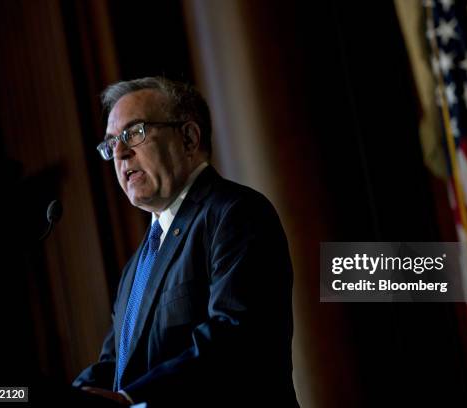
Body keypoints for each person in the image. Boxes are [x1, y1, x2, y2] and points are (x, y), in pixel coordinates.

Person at [73, 77, 298, 407]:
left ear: (189, 138)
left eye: (134, 132)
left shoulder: (234, 213)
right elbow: (116, 363)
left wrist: (131, 398)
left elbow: (235, 336)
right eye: (111, 144)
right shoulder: (136, 266)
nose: (119, 153)